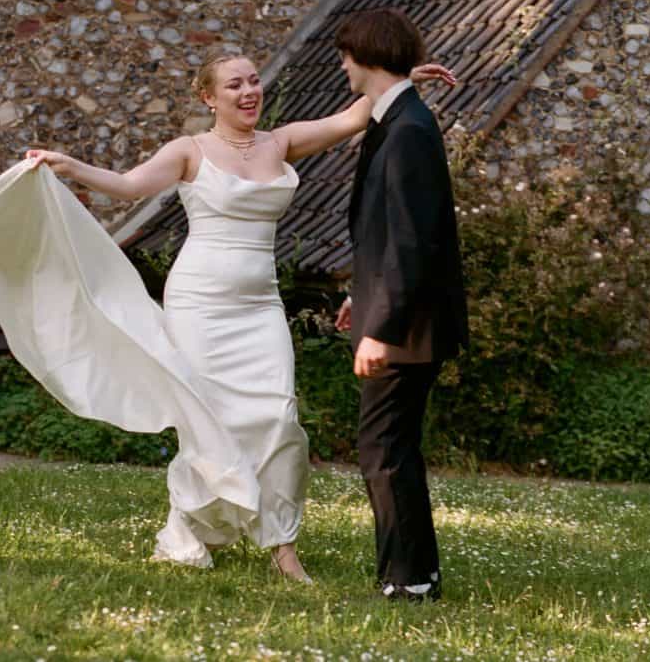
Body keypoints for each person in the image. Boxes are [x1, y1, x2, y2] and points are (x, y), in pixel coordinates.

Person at [23, 53, 453, 582]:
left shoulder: (281, 141)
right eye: (234, 85)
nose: (249, 91)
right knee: (207, 420)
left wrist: (402, 78)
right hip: (199, 306)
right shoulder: (190, 151)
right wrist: (70, 166)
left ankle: (282, 542)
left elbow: (354, 116)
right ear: (210, 98)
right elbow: (131, 185)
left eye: (253, 81)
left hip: (260, 307)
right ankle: (192, 525)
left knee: (279, 417)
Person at [333, 9, 469, 601]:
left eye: (345, 55)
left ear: (366, 57)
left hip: (407, 330)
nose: (341, 65)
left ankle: (410, 579)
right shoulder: (397, 117)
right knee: (392, 448)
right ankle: (416, 574)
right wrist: (356, 299)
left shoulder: (409, 128)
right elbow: (388, 234)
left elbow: (415, 242)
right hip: (399, 318)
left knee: (383, 450)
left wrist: (380, 329)